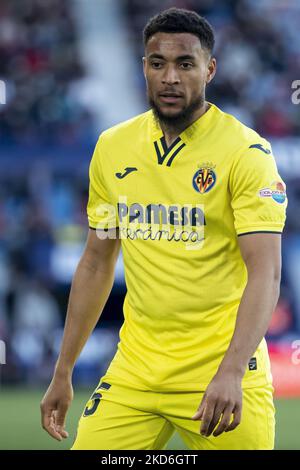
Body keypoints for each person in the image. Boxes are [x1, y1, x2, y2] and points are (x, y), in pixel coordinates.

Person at [40, 8, 287, 450]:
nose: (170, 77)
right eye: (158, 63)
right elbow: (97, 262)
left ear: (209, 69)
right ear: (144, 68)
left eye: (185, 64)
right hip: (136, 371)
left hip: (222, 372)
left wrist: (231, 371)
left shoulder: (247, 152)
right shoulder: (113, 147)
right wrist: (63, 371)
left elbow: (265, 273)